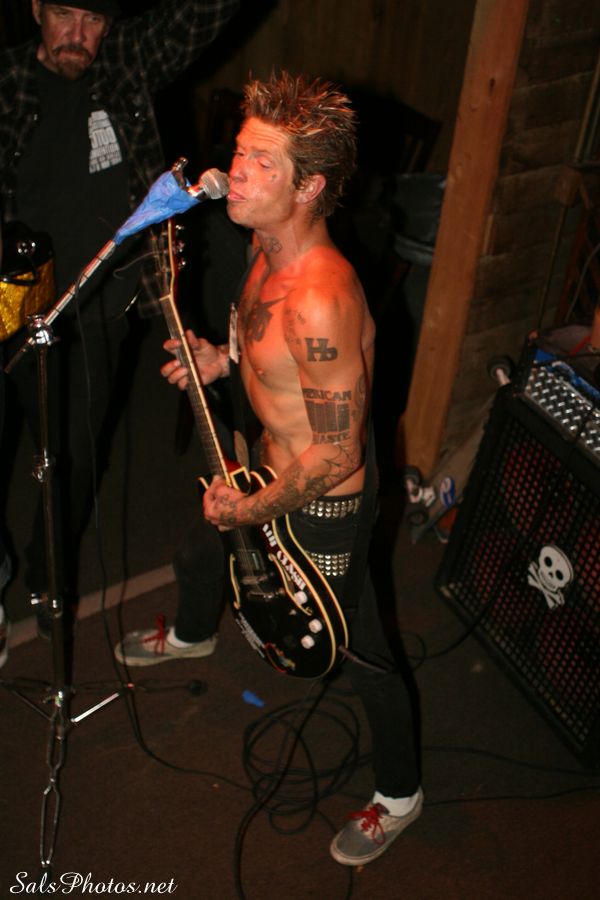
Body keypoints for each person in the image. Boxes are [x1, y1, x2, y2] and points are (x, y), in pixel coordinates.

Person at [116, 71, 423, 866]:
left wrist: (250, 510)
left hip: (325, 501)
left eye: (261, 163)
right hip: (264, 465)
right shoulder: (264, 241)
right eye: (240, 152)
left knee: (360, 650)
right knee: (201, 551)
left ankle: (400, 794)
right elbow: (263, 347)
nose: (236, 172)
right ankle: (193, 634)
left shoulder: (321, 298)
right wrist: (221, 361)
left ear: (309, 187)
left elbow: (337, 451)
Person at [0, 0, 239, 662]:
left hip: (101, 309)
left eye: (95, 20)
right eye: (64, 14)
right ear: (36, 9)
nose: (79, 35)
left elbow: (208, 11)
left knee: (72, 459)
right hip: (14, 309)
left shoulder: (127, 60)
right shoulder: (8, 81)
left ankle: (48, 580)